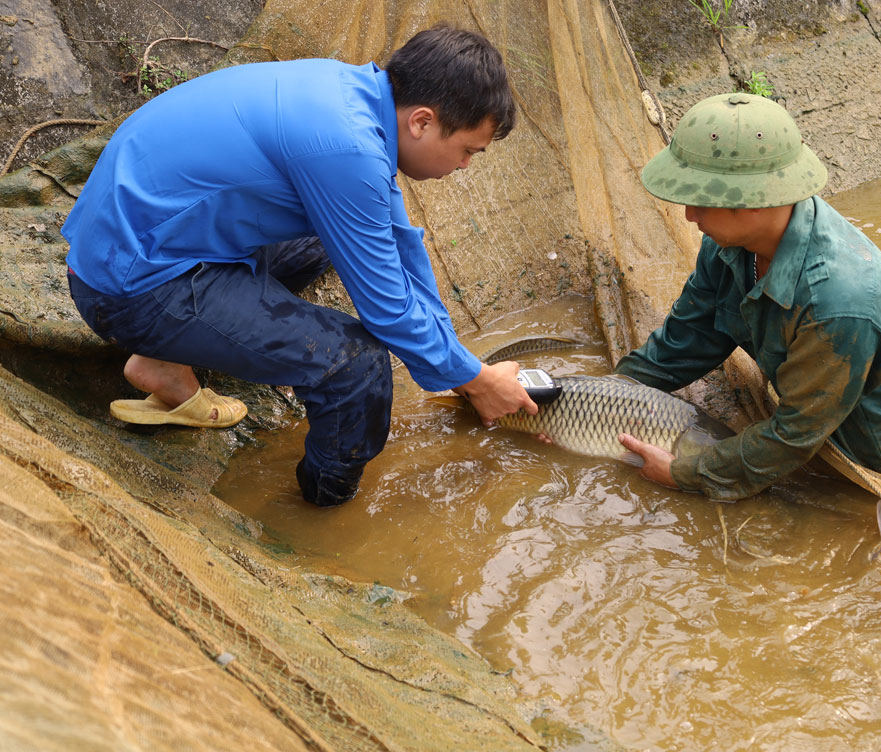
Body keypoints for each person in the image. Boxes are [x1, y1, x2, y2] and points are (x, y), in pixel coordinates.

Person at [61, 26, 537, 507]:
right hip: (128, 287)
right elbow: (388, 311)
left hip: (153, 238)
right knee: (357, 368)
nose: (465, 167)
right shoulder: (346, 149)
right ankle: (324, 504)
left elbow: (397, 246)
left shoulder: (355, 97)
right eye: (468, 151)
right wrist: (476, 380)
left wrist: (467, 369)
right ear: (421, 122)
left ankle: (163, 360)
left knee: (326, 241)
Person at [614, 92, 881, 500]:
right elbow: (687, 340)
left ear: (752, 201)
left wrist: (685, 472)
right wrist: (602, 394)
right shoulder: (726, 245)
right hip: (808, 420)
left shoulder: (841, 303)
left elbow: (793, 437)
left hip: (880, 464)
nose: (689, 215)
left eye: (700, 199)